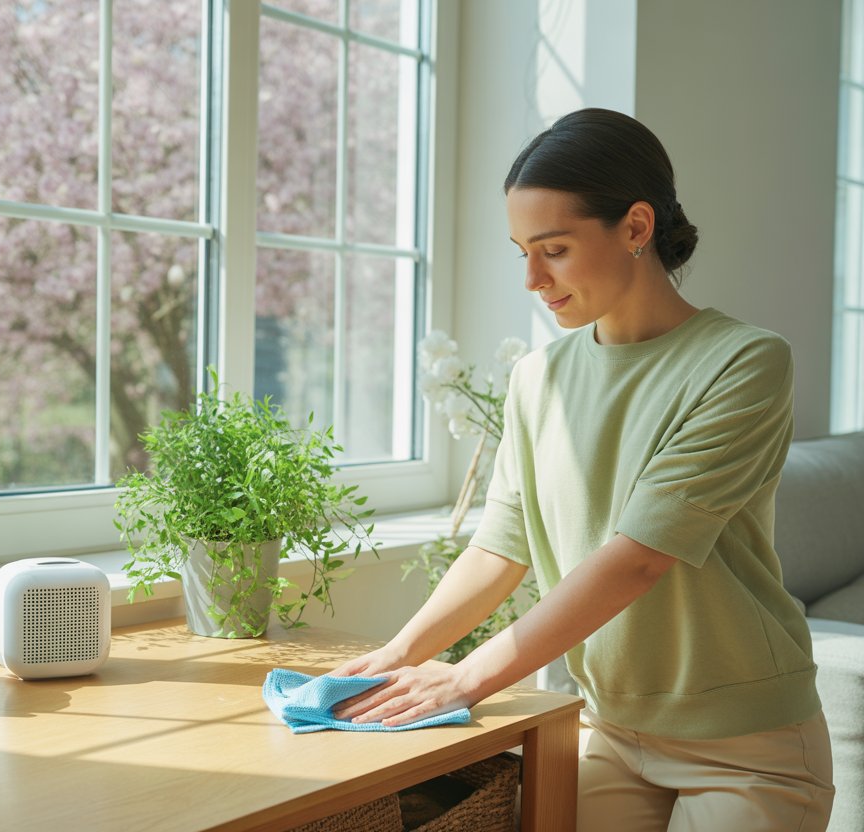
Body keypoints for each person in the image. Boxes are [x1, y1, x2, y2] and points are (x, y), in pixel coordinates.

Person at [330, 108, 835, 831]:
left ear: (635, 228)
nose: (533, 278)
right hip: (608, 730)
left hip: (744, 740)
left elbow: (638, 560)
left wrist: (467, 678)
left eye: (555, 249)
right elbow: (496, 545)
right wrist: (398, 654)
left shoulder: (744, 362)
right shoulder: (539, 377)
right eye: (522, 253)